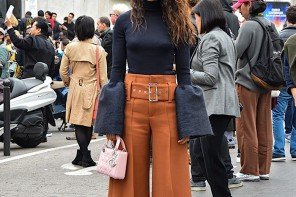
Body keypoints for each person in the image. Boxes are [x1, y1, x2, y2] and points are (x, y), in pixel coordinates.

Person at [94, 0, 213, 196]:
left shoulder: (179, 21)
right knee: (127, 176)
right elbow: (116, 72)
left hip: (168, 104)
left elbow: (184, 75)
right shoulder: (124, 21)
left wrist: (187, 121)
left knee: (171, 176)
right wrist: (112, 123)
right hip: (131, 103)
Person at [190, 0, 240, 196]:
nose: (196, 21)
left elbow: (210, 77)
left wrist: (186, 73)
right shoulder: (225, 36)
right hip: (223, 102)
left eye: (197, 17)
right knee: (205, 155)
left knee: (209, 158)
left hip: (214, 104)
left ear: (205, 16)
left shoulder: (211, 39)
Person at [233, 0, 275, 181]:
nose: (240, 11)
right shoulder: (270, 24)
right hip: (265, 82)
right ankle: (263, 168)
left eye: (241, 6)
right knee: (264, 126)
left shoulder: (248, 26)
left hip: (247, 81)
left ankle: (249, 170)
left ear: (248, 4)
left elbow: (236, 51)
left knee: (246, 126)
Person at [59, 16, 108, 167]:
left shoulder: (70, 47)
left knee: (78, 123)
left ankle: (81, 154)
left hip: (75, 86)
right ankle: (85, 155)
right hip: (91, 88)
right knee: (87, 124)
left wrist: (68, 82)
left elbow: (63, 71)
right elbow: (104, 77)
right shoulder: (98, 50)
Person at [272, 5, 296, 162]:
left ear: (286, 19)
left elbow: (278, 62)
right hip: (293, 83)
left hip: (282, 83)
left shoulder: (280, 36)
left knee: (278, 114)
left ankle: (279, 149)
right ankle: (295, 148)